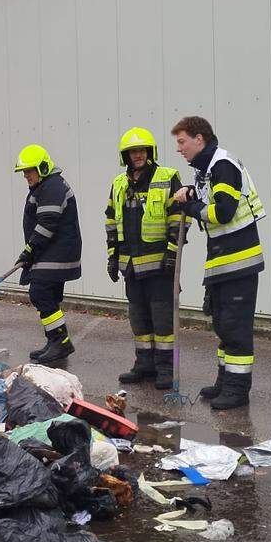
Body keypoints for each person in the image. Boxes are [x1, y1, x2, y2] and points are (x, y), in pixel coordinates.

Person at [170, 116, 266, 410]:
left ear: (200, 139)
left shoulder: (223, 166)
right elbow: (207, 198)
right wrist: (191, 192)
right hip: (223, 262)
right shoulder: (208, 170)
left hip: (239, 262)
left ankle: (237, 390)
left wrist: (191, 205)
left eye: (182, 141)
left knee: (235, 328)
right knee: (224, 325)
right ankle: (225, 380)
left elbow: (223, 212)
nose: (179, 149)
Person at [104, 127, 187, 389]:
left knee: (162, 320)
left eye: (141, 150)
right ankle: (144, 365)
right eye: (132, 152)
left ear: (149, 152)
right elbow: (110, 221)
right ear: (125, 156)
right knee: (139, 318)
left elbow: (178, 218)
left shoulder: (167, 177)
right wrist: (112, 257)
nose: (137, 155)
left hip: (160, 265)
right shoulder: (119, 183)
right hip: (130, 266)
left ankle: (166, 368)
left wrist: (173, 253)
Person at [14, 144, 82, 365]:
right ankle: (54, 341)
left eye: (29, 171)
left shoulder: (51, 187)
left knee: (40, 293)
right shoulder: (47, 185)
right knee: (49, 297)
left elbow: (47, 223)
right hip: (53, 252)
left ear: (42, 167)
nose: (26, 176)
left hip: (56, 254)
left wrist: (29, 250)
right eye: (24, 172)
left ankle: (60, 342)